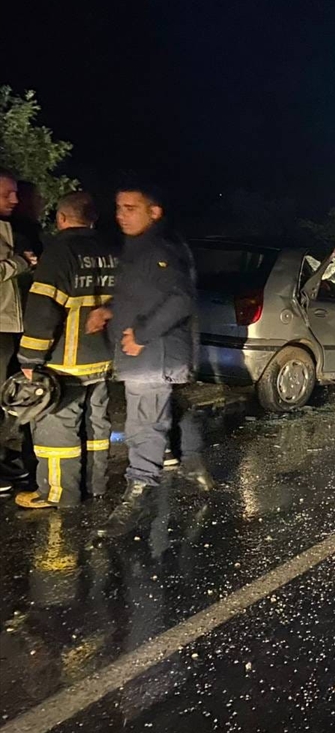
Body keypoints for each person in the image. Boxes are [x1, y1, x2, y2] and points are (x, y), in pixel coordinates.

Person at [88, 186, 210, 538]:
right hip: (147, 354)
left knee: (143, 426)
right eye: (118, 208)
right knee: (164, 410)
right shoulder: (141, 247)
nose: (121, 215)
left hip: (152, 356)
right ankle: (192, 460)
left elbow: (180, 299)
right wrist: (110, 310)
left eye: (130, 208)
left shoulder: (159, 248)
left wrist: (141, 335)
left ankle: (137, 497)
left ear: (154, 211)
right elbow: (144, 295)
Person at [11, 192, 117, 509]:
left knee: (56, 429)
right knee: (97, 425)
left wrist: (30, 358)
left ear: (61, 218)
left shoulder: (60, 252)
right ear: (93, 218)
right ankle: (95, 485)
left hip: (65, 362)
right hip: (104, 357)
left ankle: (59, 494)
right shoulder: (111, 250)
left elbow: (44, 310)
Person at [0, 168, 39, 494]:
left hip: (12, 324)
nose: (15, 200)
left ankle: (11, 461)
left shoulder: (11, 226)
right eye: (6, 194)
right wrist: (20, 263)